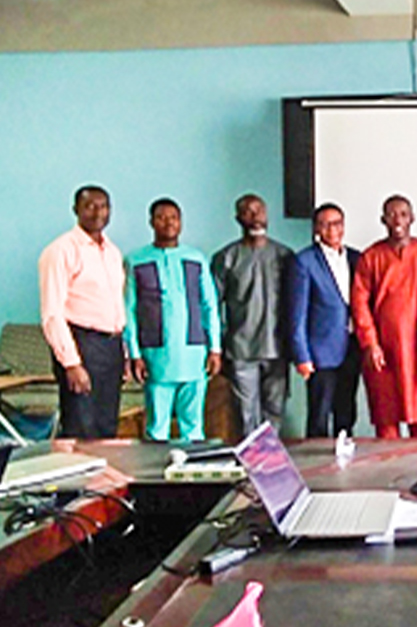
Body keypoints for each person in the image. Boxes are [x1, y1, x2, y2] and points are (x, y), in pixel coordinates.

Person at [124, 198, 221, 441]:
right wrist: (134, 354)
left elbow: (210, 306)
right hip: (156, 357)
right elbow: (129, 310)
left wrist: (215, 348)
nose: (168, 223)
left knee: (193, 426)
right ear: (151, 222)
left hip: (194, 354)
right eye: (161, 217)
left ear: (181, 222)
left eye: (174, 218)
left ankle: (192, 476)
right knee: (157, 428)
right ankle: (156, 477)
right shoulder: (136, 260)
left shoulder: (196, 259)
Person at [39, 185, 126, 438]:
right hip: (81, 346)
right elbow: (52, 314)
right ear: (75, 209)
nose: (98, 212)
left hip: (111, 348)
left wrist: (124, 353)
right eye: (89, 206)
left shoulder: (112, 252)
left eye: (103, 206)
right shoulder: (60, 251)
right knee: (81, 429)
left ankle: (104, 479)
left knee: (106, 428)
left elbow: (116, 307)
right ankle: (79, 480)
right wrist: (72, 364)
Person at [351, 195, 417, 439]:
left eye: (402, 214)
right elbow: (360, 303)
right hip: (384, 347)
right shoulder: (371, 256)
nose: (397, 219)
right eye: (391, 214)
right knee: (385, 413)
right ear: (383, 220)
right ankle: (391, 473)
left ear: (412, 218)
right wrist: (370, 343)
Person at [211, 194, 293, 435]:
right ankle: (250, 467)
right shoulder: (225, 258)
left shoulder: (285, 256)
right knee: (246, 415)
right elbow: (212, 306)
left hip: (277, 348)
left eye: (260, 210)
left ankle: (271, 466)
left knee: (275, 411)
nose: (255, 216)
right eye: (248, 211)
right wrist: (217, 346)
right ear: (238, 218)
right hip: (241, 350)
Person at [289, 203, 362, 438]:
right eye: (325, 224)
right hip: (320, 352)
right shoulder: (305, 261)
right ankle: (318, 468)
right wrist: (302, 355)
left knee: (346, 411)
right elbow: (297, 312)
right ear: (316, 228)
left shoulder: (356, 258)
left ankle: (344, 462)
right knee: (319, 414)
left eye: (337, 223)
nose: (332, 229)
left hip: (351, 347)